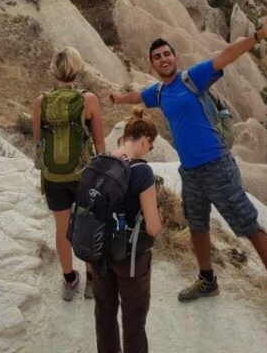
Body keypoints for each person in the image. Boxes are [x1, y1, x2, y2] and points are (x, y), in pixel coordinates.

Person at [109, 16, 267, 333]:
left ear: (174, 58)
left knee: (248, 226)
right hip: (191, 172)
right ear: (152, 65)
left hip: (218, 165)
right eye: (157, 57)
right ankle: (207, 280)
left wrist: (260, 35)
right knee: (197, 225)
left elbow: (226, 55)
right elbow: (138, 96)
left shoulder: (192, 79)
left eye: (166, 54)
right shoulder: (159, 93)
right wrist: (118, 98)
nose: (163, 59)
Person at [32, 46, 105, 301]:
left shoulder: (41, 102)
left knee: (62, 229)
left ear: (54, 70)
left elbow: (38, 142)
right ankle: (92, 281)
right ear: (78, 69)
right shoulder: (89, 100)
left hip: (54, 177)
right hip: (83, 175)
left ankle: (69, 278)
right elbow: (100, 144)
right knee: (85, 226)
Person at [92, 107, 161, 353]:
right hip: (130, 259)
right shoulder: (143, 172)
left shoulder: (102, 162)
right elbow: (152, 227)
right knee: (133, 323)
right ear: (145, 141)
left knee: (105, 315)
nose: (149, 152)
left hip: (99, 254)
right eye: (150, 147)